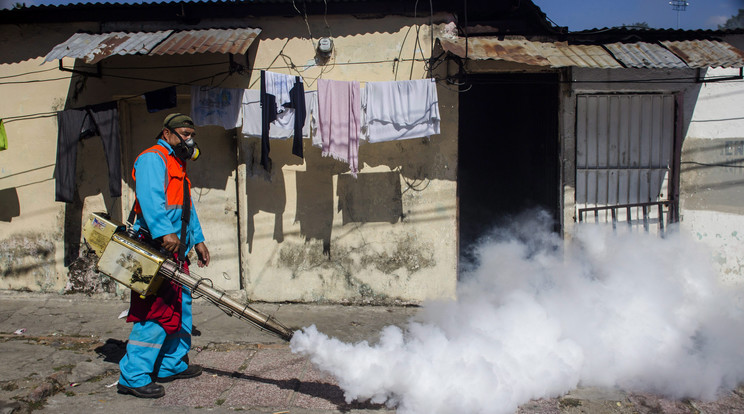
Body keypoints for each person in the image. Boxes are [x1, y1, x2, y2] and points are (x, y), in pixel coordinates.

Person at [117, 113, 211, 399]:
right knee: (155, 312)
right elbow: (150, 199)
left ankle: (171, 364)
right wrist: (163, 232)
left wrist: (198, 240)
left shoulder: (178, 165)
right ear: (167, 133)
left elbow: (186, 210)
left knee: (181, 308)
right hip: (155, 247)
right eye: (184, 133)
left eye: (191, 134)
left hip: (176, 249)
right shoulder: (152, 158)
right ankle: (133, 376)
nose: (189, 139)